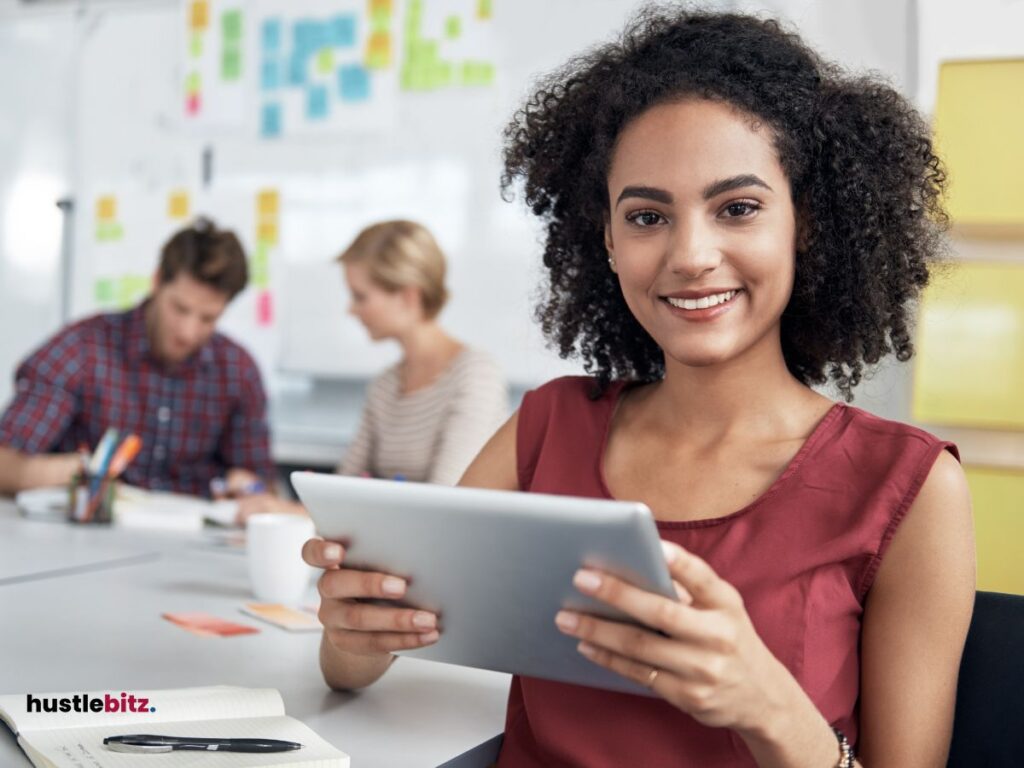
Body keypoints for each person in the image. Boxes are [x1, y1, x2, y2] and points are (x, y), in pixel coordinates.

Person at [302, 9, 975, 767]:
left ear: (807, 223)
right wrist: (349, 635)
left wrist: (773, 709)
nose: (690, 255)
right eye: (648, 215)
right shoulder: (546, 428)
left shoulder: (910, 489)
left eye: (739, 208)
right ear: (610, 244)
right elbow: (359, 660)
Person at [0, 218, 275, 499]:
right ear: (156, 282)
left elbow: (263, 489)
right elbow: (4, 464)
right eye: (179, 309)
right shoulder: (82, 348)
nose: (188, 332)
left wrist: (250, 489)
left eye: (208, 318)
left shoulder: (238, 372)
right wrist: (78, 471)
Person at [334, 220, 508, 485]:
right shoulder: (385, 385)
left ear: (408, 296)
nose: (351, 310)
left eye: (360, 297)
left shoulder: (475, 375)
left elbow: (446, 500)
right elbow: (342, 488)